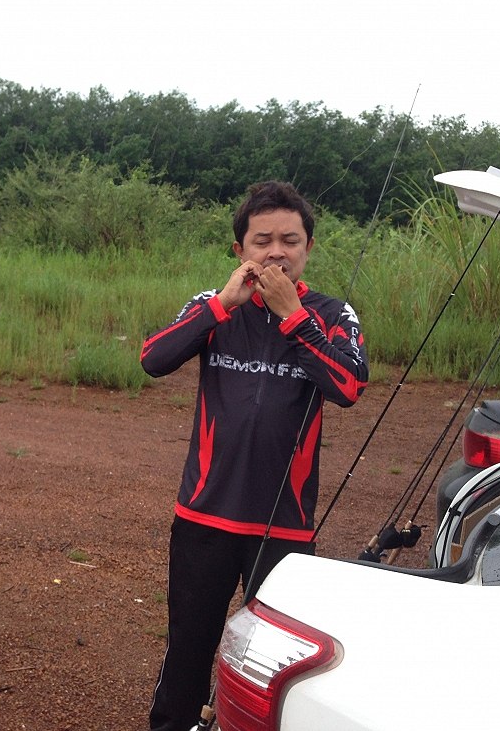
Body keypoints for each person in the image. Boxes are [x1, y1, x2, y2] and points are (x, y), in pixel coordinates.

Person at [140, 180, 368, 731]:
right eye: (261, 240)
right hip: (204, 515)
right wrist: (222, 304)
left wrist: (294, 317)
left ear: (308, 248)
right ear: (240, 250)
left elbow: (350, 386)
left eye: (290, 240)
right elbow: (154, 357)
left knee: (275, 660)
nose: (276, 252)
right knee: (189, 646)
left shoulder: (332, 313)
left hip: (285, 525)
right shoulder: (213, 307)